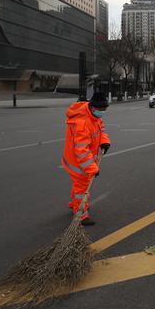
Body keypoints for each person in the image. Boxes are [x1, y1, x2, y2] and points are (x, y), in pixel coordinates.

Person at [62, 91, 111, 225]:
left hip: (83, 160)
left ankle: (74, 203)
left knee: (79, 185)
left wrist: (104, 142)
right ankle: (81, 214)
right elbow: (81, 151)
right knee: (82, 188)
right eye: (101, 109)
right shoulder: (82, 123)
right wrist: (92, 168)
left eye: (105, 109)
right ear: (93, 107)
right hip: (77, 162)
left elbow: (101, 130)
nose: (103, 112)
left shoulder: (94, 117)